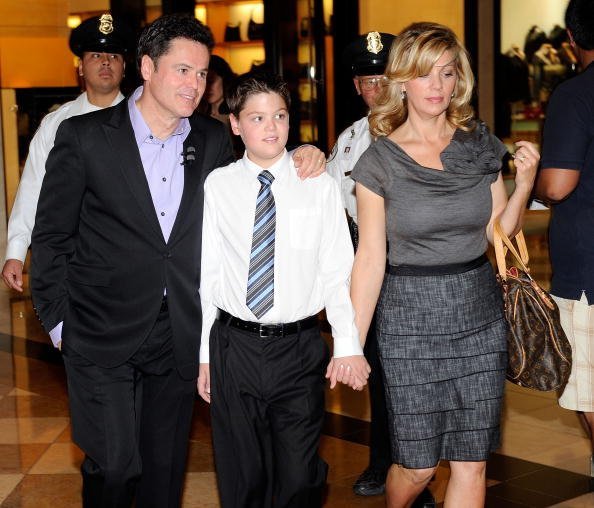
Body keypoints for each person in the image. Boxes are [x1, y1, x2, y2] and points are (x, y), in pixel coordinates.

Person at [30, 14, 325, 507]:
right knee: (117, 464)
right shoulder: (82, 137)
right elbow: (52, 236)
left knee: (163, 474)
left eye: (202, 73)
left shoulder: (209, 140)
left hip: (178, 335)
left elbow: (254, 176)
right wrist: (60, 324)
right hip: (99, 330)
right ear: (146, 67)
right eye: (183, 71)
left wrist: (306, 154)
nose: (195, 84)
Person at [350, 22, 538, 507]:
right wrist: (350, 344)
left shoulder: (479, 145)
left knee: (472, 461)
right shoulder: (380, 164)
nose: (437, 86)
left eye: (448, 74)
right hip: (410, 320)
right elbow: (370, 259)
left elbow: (500, 232)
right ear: (402, 80)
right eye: (424, 74)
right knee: (416, 467)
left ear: (460, 80)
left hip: (479, 315)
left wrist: (525, 182)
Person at [197, 71, 370, 507]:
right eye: (256, 118)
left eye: (279, 115)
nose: (271, 127)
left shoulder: (319, 185)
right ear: (235, 124)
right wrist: (205, 356)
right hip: (233, 346)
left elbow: (336, 270)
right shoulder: (218, 186)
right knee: (243, 477)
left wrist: (347, 344)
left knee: (299, 477)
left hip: (297, 346)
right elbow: (208, 276)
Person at [328, 31, 421, 502]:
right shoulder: (348, 141)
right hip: (366, 268)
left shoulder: (425, 131)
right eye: (368, 81)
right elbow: (326, 204)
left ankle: (417, 472)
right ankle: (386, 462)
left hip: (415, 269)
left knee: (416, 379)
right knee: (381, 373)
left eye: (385, 78)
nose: (377, 89)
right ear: (357, 87)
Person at [2, 13, 129, 292]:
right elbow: (34, 186)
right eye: (96, 55)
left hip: (130, 259)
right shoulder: (57, 123)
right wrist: (16, 250)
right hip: (73, 261)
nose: (106, 62)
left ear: (124, 67)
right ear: (81, 67)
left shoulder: (144, 121)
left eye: (114, 56)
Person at [534, 0, 594, 478]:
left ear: (573, 40)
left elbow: (557, 185)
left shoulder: (576, 95)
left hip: (588, 270)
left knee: (591, 390)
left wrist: (532, 174)